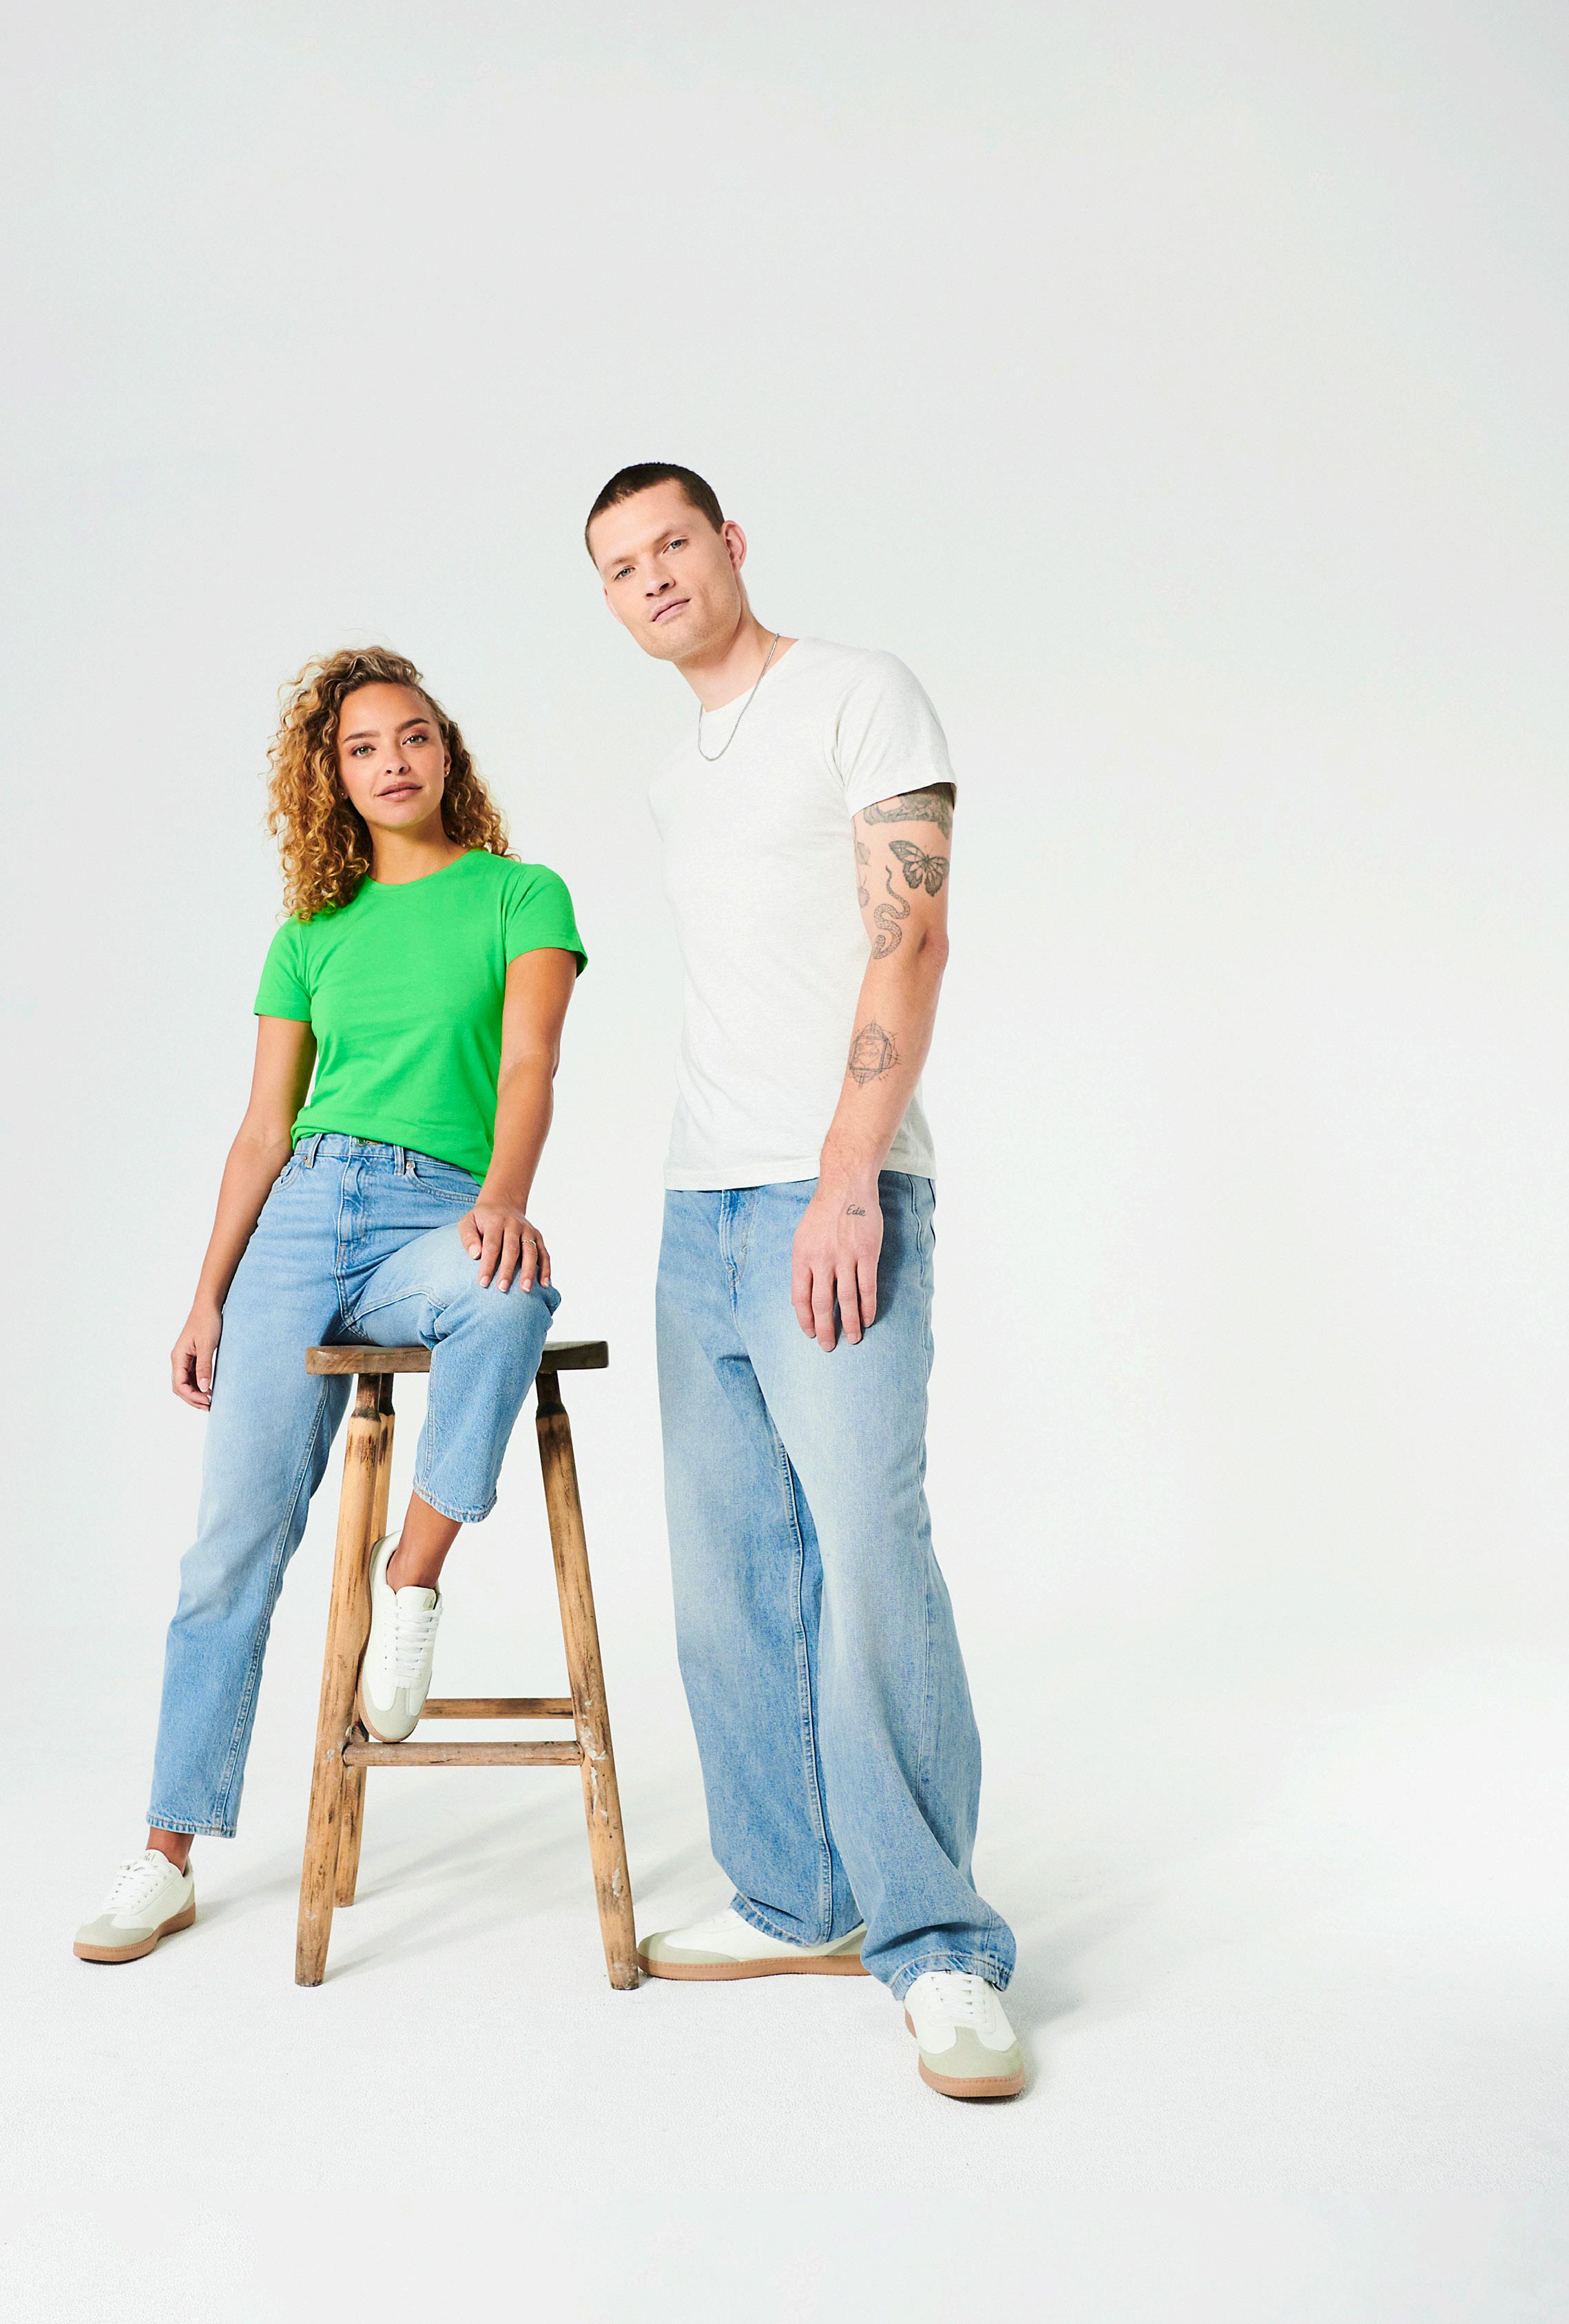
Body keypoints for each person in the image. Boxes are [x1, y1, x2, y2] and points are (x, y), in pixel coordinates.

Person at [585, 462, 1024, 2100]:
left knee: (867, 1551)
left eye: (672, 544)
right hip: (698, 1199)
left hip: (834, 1187)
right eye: (619, 566)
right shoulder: (669, 773)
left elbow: (911, 938)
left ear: (731, 543)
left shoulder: (856, 692)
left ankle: (940, 1941)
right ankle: (794, 1892)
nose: (652, 578)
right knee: (730, 1575)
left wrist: (848, 1171)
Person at [74, 647, 584, 1965]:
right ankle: (166, 1853)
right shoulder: (310, 934)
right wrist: (206, 1295)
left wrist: (504, 1198)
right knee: (230, 1546)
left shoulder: (520, 894)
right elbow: (262, 1130)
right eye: (363, 748)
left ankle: (409, 1578)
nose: (393, 762)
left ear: (446, 750)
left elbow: (529, 1064)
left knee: (514, 1288)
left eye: (412, 736)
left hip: (439, 1209)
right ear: (334, 778)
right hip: (302, 1217)